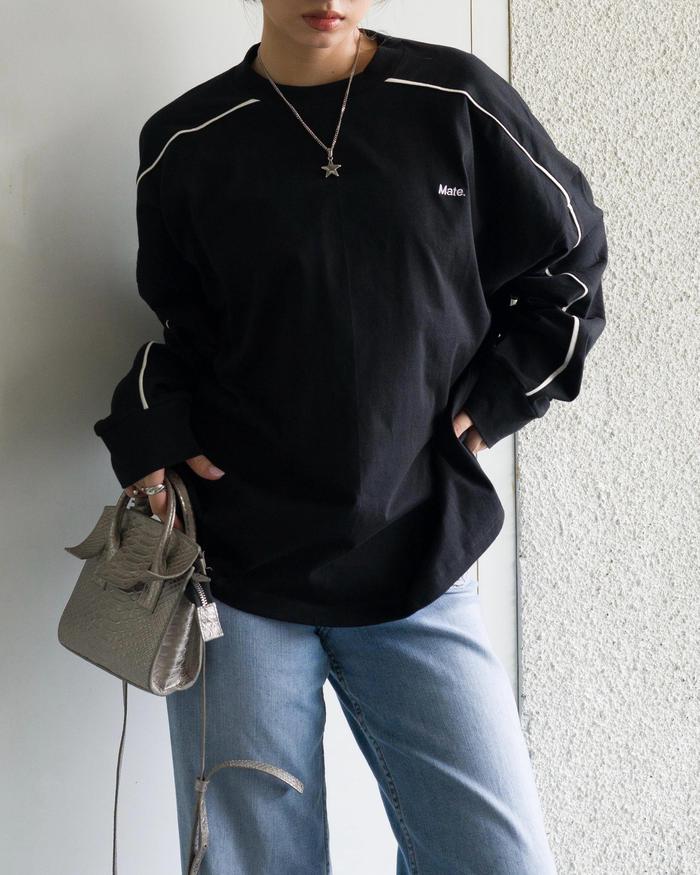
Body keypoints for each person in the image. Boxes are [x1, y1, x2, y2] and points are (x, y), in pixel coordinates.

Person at [93, 2, 608, 872]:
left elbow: (572, 267)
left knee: (498, 858)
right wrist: (151, 438)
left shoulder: (455, 99)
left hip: (419, 553)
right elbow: (187, 333)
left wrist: (496, 403)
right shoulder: (186, 138)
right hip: (238, 574)